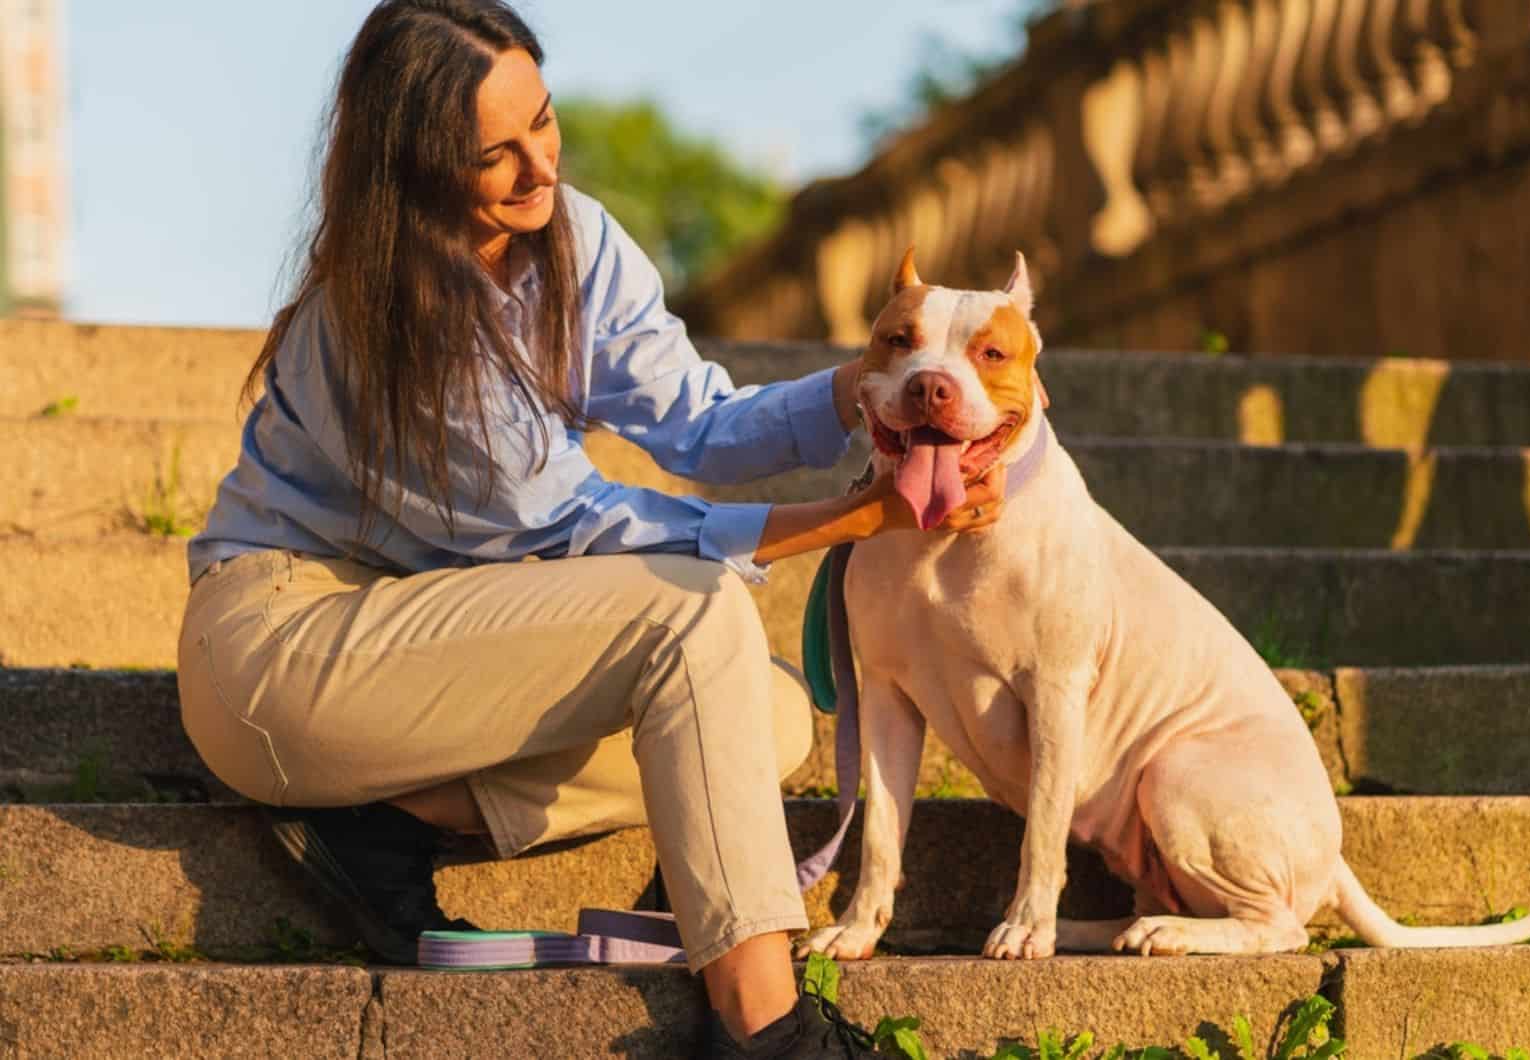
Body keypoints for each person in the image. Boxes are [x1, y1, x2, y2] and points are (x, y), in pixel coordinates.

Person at [176, 1, 1001, 1056]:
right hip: (282, 656)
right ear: (420, 165)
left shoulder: (571, 238)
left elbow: (698, 424)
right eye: (495, 155)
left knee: (767, 716)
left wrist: (861, 387)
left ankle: (388, 818)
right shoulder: (382, 316)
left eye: (545, 121)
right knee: (691, 615)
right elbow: (577, 527)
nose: (538, 168)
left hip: (425, 631)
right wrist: (854, 516)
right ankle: (766, 1024)